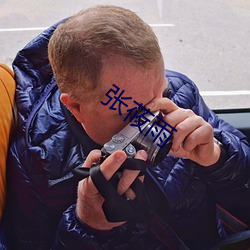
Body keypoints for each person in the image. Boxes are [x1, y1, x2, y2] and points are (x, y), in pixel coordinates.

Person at [3, 5, 250, 250]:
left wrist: (217, 156)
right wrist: (87, 225)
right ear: (76, 107)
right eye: (135, 115)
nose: (156, 117)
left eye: (161, 93)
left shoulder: (179, 91)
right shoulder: (36, 161)